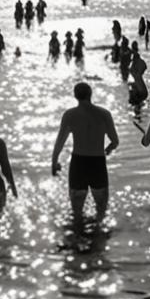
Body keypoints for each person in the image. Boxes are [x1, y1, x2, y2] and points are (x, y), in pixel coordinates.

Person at [51, 82, 119, 220]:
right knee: (101, 211)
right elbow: (115, 141)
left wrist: (54, 162)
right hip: (97, 162)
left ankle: (77, 236)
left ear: (75, 96)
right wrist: (107, 150)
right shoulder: (104, 114)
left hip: (78, 163)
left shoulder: (70, 115)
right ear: (90, 94)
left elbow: (60, 142)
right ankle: (99, 237)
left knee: (77, 212)